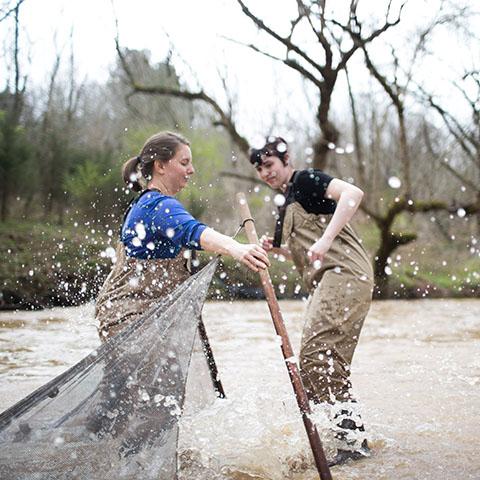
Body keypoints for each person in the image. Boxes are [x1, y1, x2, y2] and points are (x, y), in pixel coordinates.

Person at [250, 136, 374, 465]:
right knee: (314, 363)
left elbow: (353, 194)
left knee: (318, 357)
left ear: (286, 159)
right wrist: (273, 247)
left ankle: (353, 445)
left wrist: (326, 237)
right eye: (260, 168)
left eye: (270, 165)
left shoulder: (305, 180)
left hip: (346, 274)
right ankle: (348, 440)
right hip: (329, 282)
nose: (265, 172)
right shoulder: (286, 204)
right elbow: (301, 250)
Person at [96, 131, 269, 340]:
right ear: (160, 166)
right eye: (184, 162)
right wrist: (237, 248)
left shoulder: (145, 202)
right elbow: (193, 231)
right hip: (131, 322)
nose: (191, 170)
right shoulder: (157, 206)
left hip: (135, 318)